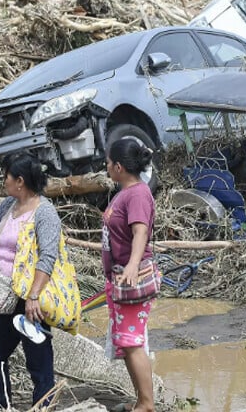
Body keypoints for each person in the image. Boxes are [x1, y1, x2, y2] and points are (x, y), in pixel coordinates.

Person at [0, 153, 61, 409]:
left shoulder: (44, 213)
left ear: (20, 181)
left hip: (31, 297)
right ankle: (0, 405)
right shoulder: (9, 205)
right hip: (7, 296)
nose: (4, 182)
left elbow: (48, 256)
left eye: (6, 177)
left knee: (39, 361)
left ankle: (43, 407)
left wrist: (34, 296)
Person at [103, 138, 158, 412]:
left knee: (131, 341)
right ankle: (140, 400)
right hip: (119, 277)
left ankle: (146, 404)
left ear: (120, 166)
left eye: (109, 162)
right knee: (125, 342)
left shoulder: (137, 194)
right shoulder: (125, 192)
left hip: (132, 278)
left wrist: (133, 265)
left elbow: (140, 232)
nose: (106, 166)